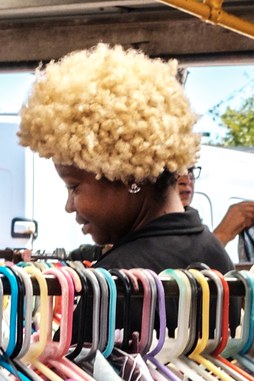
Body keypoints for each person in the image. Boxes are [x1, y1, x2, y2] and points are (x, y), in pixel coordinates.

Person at [18, 43, 233, 275]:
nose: (69, 206)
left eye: (74, 187)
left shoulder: (116, 281)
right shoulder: (216, 254)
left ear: (128, 174)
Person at [176, 168, 254, 246]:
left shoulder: (195, 226)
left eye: (190, 170)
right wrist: (223, 234)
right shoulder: (165, 235)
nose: (187, 180)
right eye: (176, 171)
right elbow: (191, 261)